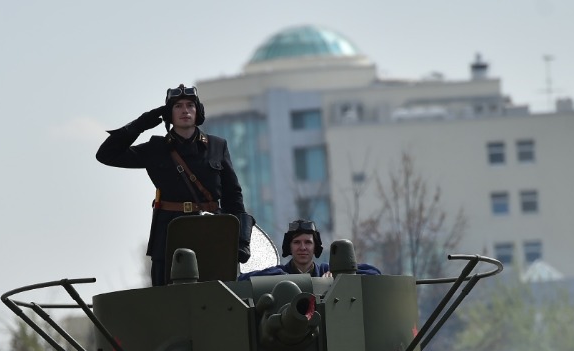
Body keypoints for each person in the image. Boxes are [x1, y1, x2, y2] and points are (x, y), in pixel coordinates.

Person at [96, 84, 250, 287]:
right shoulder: (156, 148)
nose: (185, 110)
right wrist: (141, 123)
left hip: (212, 231)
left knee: (218, 296)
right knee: (168, 301)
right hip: (169, 235)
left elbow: (233, 195)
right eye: (178, 106)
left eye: (190, 105)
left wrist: (241, 241)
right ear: (169, 113)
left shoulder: (216, 146)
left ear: (198, 112)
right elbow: (106, 155)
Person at [240, 219, 381, 279]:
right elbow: (243, 280)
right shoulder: (280, 273)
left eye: (308, 242)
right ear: (289, 247)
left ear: (315, 247)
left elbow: (374, 273)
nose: (302, 247)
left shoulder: (326, 271)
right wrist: (279, 278)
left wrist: (338, 276)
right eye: (296, 242)